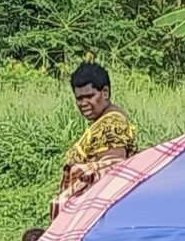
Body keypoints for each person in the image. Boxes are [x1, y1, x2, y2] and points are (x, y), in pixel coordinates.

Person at [51, 62, 137, 222]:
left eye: (89, 96)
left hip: (97, 217)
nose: (83, 104)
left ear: (105, 92)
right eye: (79, 98)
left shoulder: (111, 125)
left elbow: (110, 173)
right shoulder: (102, 121)